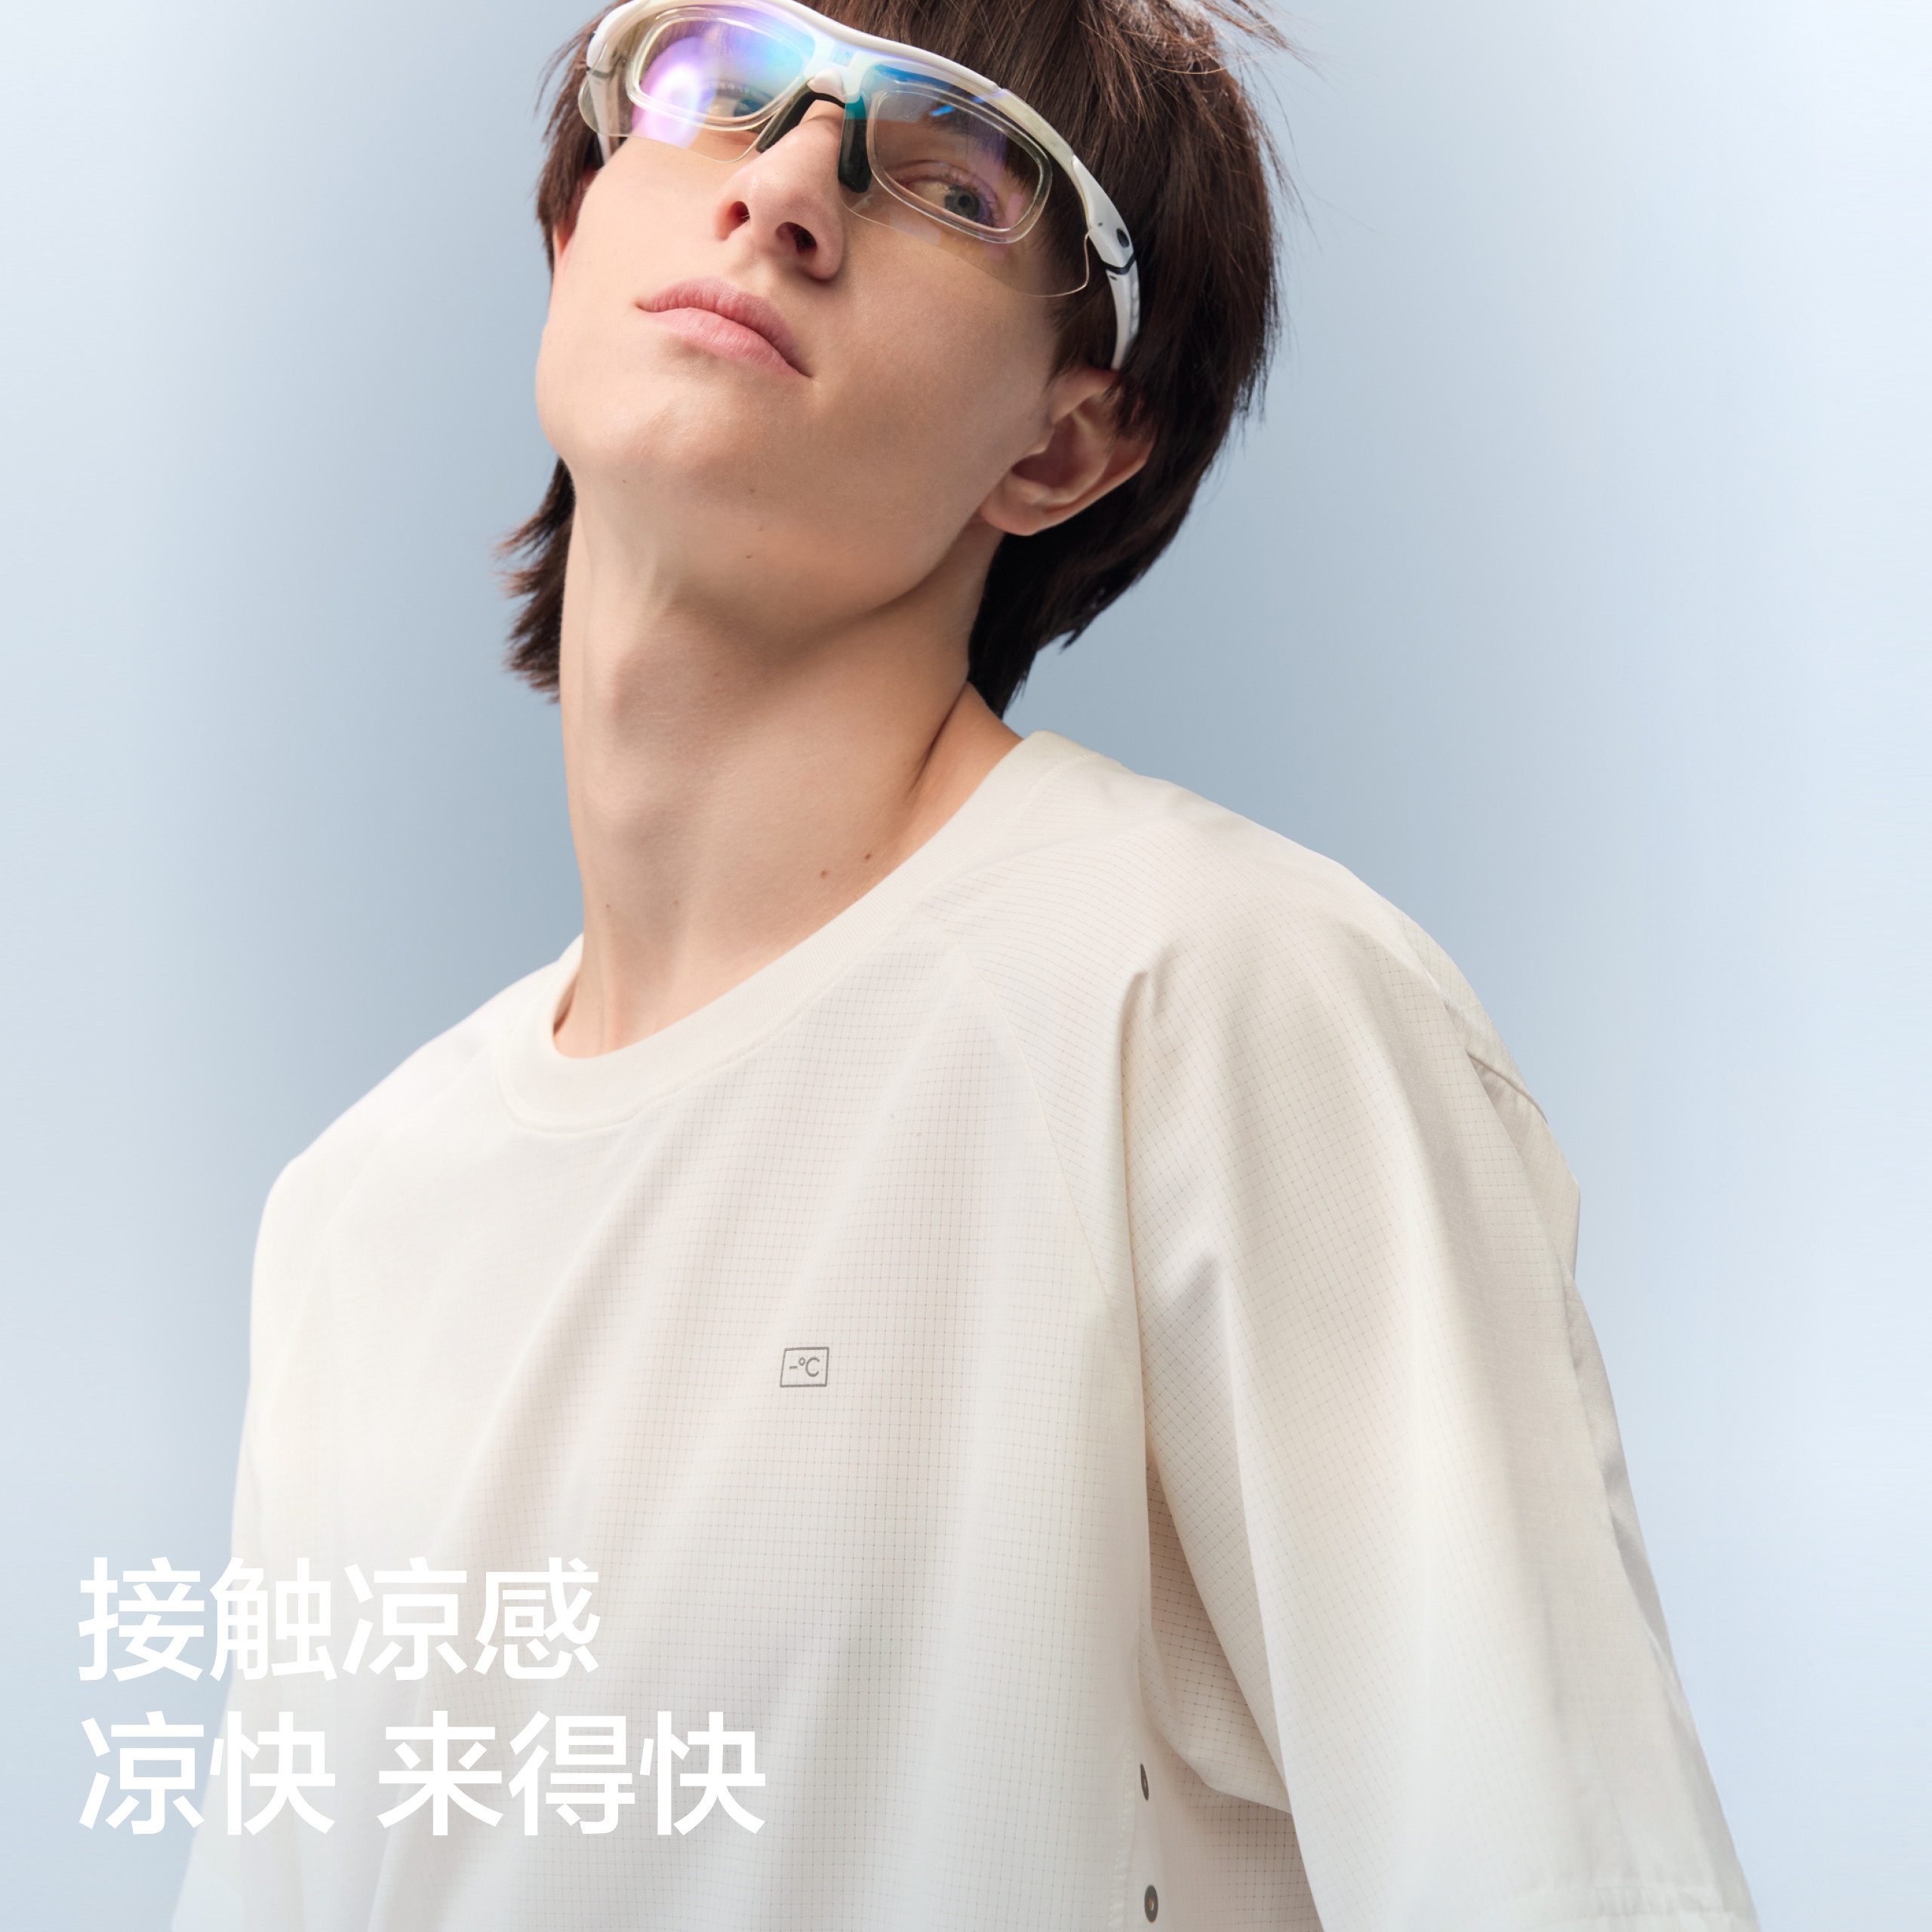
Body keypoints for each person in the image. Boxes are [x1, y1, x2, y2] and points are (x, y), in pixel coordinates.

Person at [173, 1, 1758, 1926]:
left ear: (1066, 442)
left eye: (953, 177)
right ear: (575, 227)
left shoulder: (1213, 1005)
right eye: (717, 91)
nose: (782, 190)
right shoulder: (355, 1211)